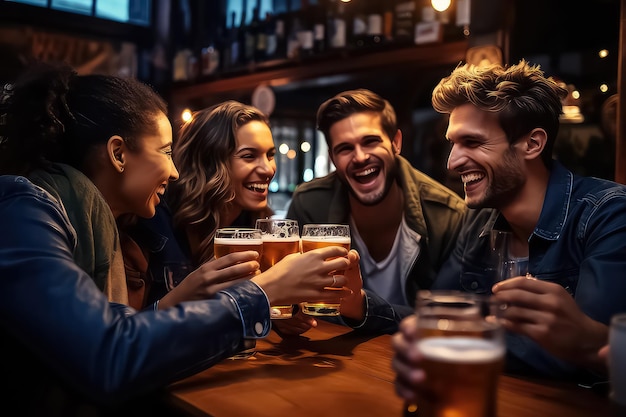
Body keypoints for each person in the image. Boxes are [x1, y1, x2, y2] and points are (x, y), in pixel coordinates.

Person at [0, 62, 352, 416]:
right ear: (119, 153)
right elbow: (109, 355)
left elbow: (121, 330)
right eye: (166, 151)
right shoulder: (23, 213)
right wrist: (262, 295)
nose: (175, 170)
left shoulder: (83, 217)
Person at [391, 59, 626, 395]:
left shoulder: (609, 214)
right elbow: (438, 316)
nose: (452, 162)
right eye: (453, 143)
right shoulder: (480, 220)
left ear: (532, 144)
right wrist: (361, 307)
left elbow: (584, 352)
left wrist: (451, 339)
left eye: (472, 143)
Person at [280, 88, 466, 335]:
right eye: (345, 148)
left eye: (370, 141)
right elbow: (288, 296)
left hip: (416, 357)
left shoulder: (448, 215)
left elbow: (448, 318)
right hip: (331, 355)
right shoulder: (309, 204)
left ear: (395, 143)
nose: (360, 157)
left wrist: (363, 308)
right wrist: (285, 315)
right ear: (333, 158)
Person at [123, 100, 282, 309]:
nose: (268, 169)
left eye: (270, 155)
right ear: (210, 163)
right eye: (249, 156)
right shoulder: (152, 219)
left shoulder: (252, 226)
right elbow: (125, 329)